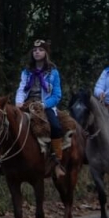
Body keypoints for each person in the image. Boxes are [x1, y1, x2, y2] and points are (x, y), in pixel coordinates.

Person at [15, 39, 66, 180]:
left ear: (46, 53)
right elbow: (21, 88)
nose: (37, 52)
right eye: (35, 50)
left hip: (45, 105)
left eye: (41, 50)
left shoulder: (53, 72)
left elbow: (57, 95)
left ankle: (57, 160)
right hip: (28, 103)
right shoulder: (26, 72)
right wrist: (19, 102)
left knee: (55, 126)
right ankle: (5, 159)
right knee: (10, 124)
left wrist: (44, 105)